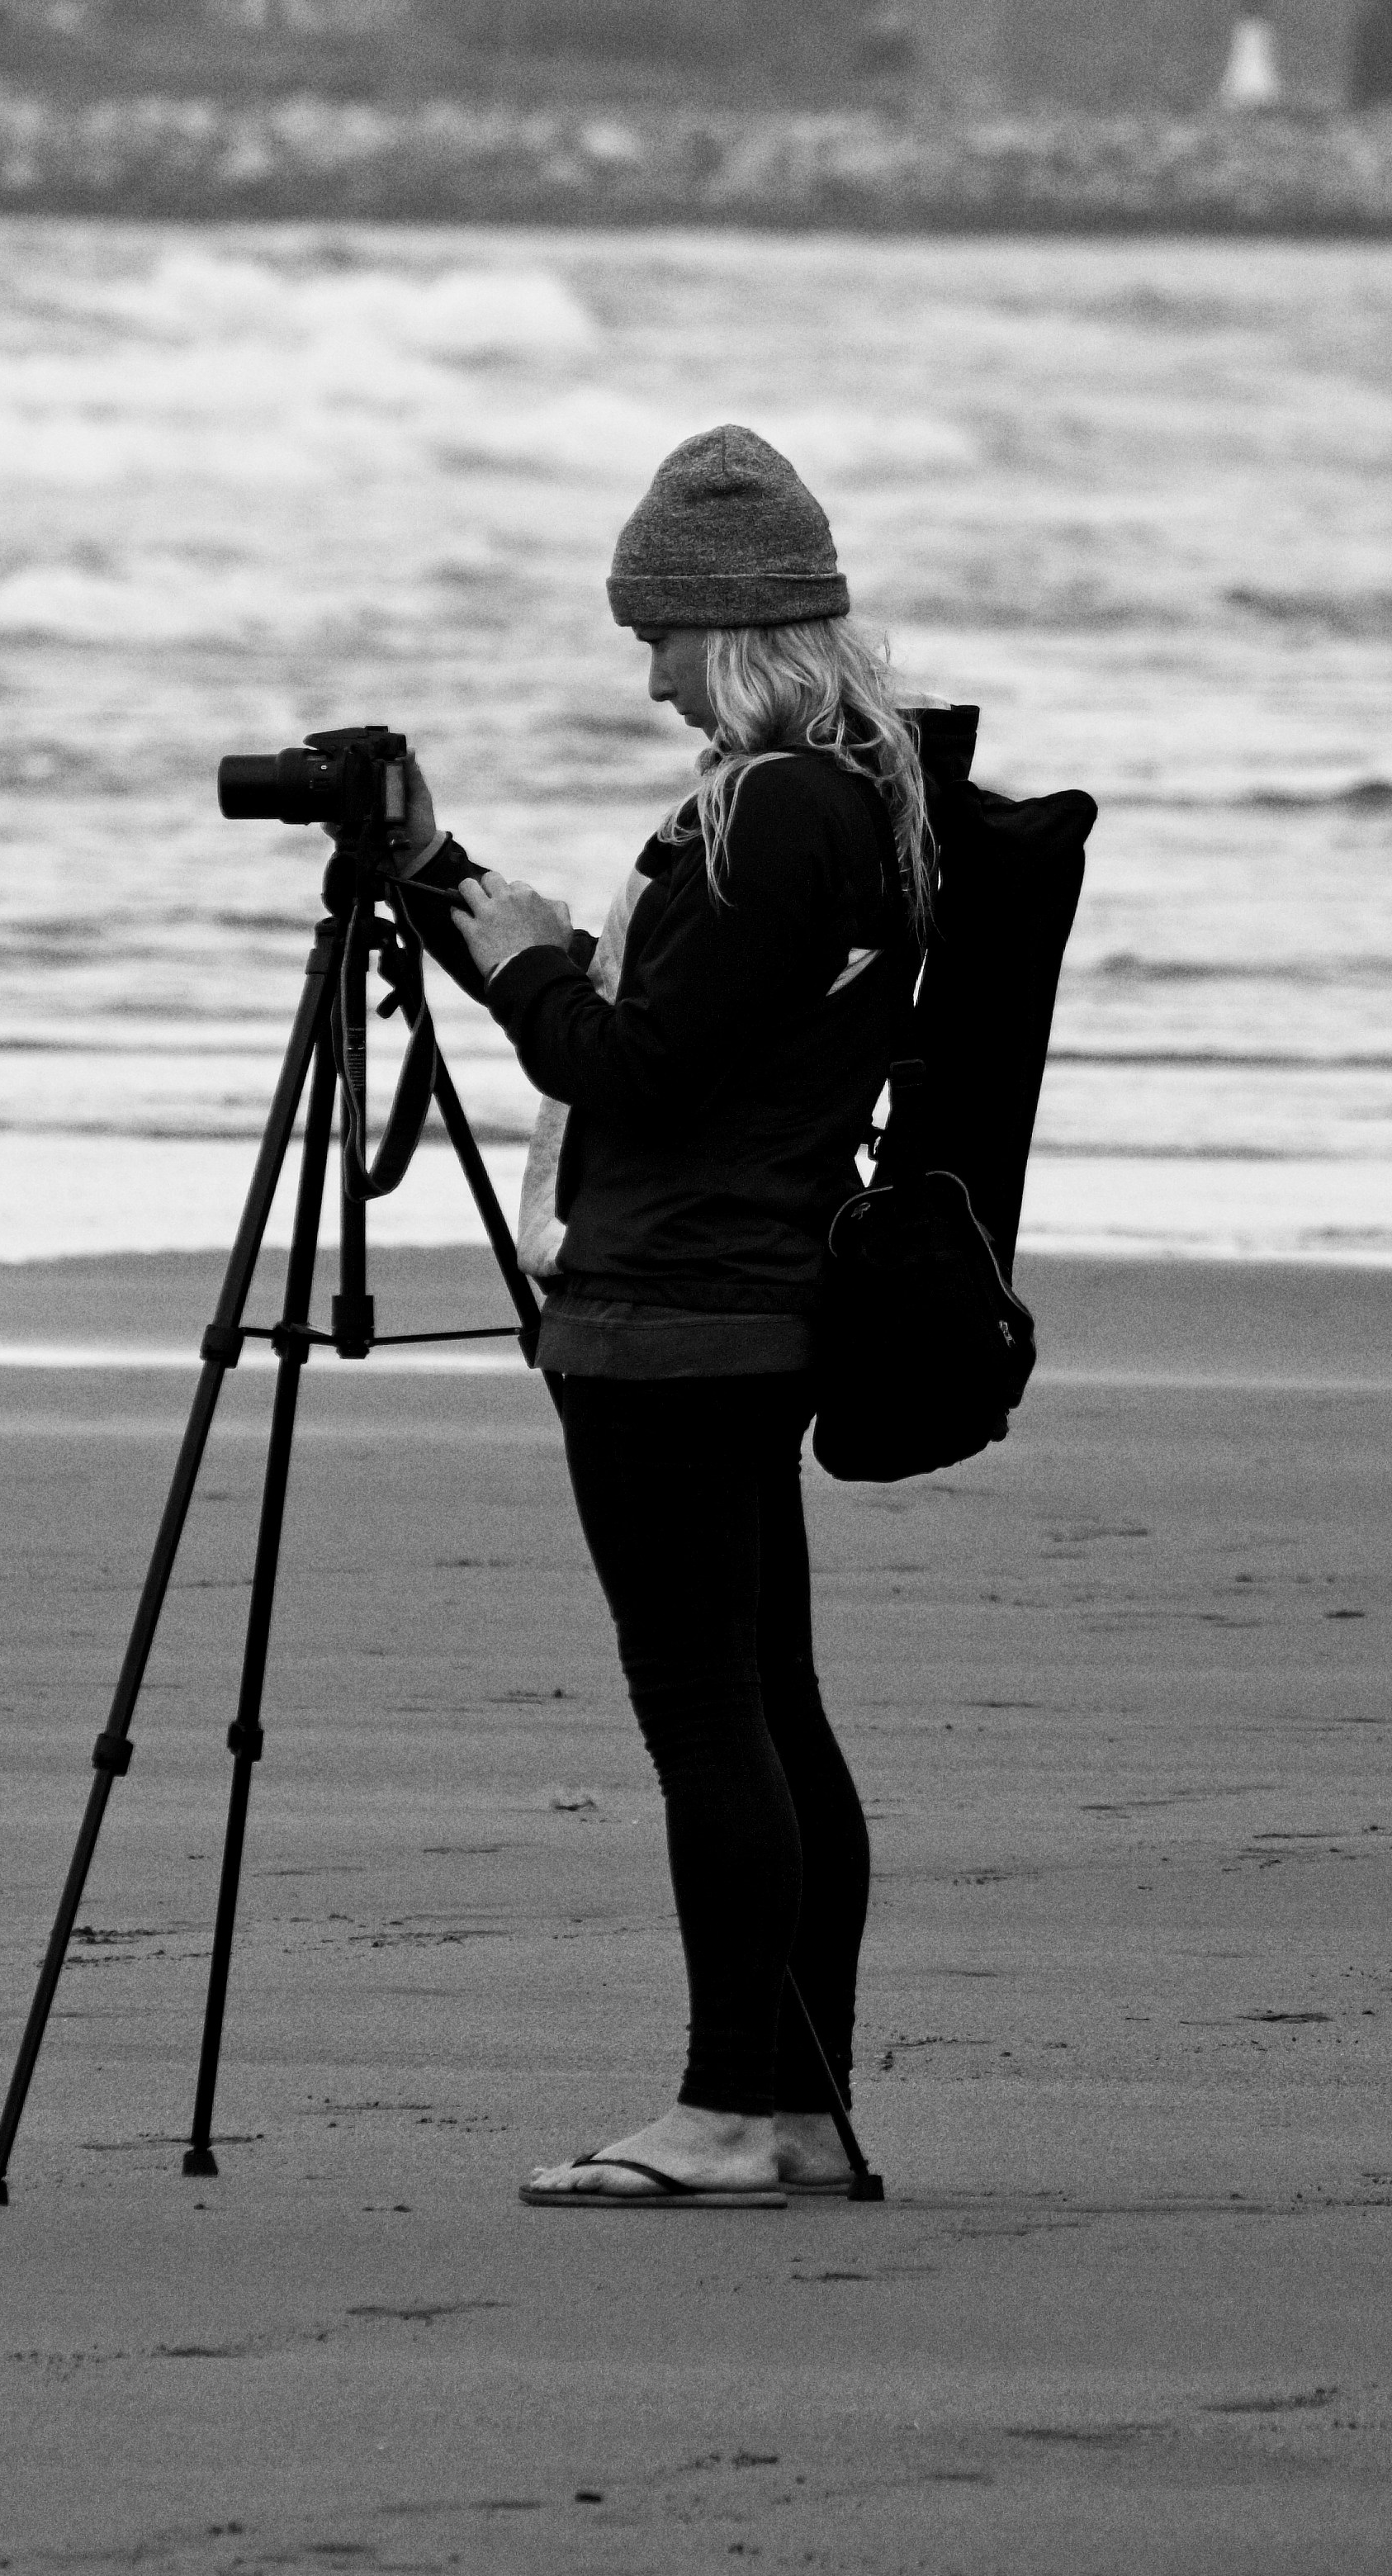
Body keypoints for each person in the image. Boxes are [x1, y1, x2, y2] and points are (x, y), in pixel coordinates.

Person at [395, 424, 934, 2207]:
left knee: (710, 1715)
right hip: (742, 1297)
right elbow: (707, 1039)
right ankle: (788, 2103)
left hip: (677, 1314)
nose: (643, 680)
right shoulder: (861, 788)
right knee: (768, 1703)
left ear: (732, 630)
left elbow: (643, 1067)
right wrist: (457, 887)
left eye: (659, 640)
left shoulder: (778, 807)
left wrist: (521, 958)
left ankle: (732, 2109)